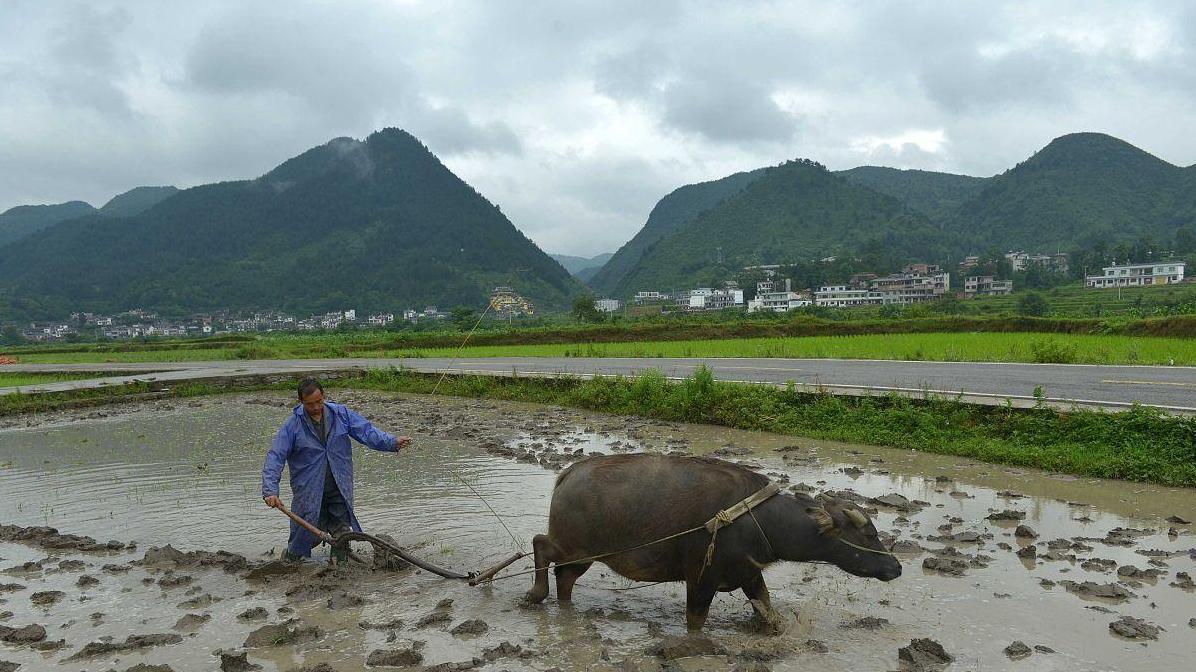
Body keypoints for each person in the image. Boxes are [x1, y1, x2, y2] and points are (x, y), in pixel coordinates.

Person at [261, 378, 411, 562]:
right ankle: (290, 559)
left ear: (323, 396)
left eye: (319, 402)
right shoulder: (292, 425)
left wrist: (392, 442)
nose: (316, 407)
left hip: (339, 484)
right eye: (310, 404)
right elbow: (275, 456)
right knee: (304, 535)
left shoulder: (341, 414)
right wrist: (270, 490)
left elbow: (367, 432)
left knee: (342, 532)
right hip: (308, 490)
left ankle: (341, 569)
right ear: (301, 402)